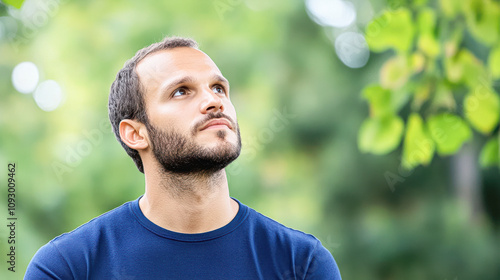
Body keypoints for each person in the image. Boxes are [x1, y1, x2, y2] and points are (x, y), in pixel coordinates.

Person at [25, 36, 341, 279]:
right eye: (181, 91)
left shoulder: (301, 263)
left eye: (218, 88)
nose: (213, 102)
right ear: (135, 133)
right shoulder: (68, 266)